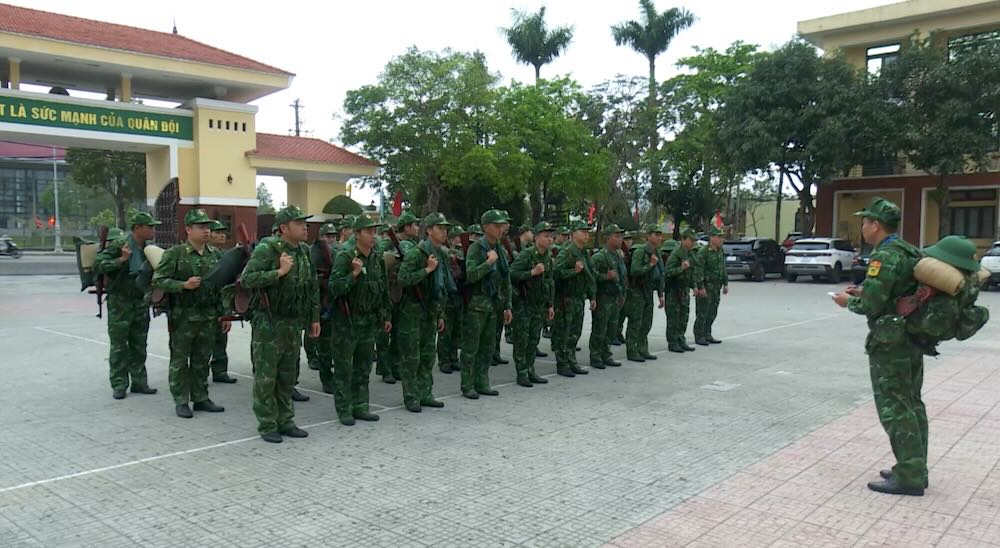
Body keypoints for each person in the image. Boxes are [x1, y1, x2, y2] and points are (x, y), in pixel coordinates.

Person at [833, 198, 926, 496]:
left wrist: (850, 301)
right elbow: (894, 292)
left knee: (895, 406)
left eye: (865, 222)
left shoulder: (883, 257)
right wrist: (864, 290)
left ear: (875, 225)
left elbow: (872, 304)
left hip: (891, 343)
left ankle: (909, 476)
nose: (862, 227)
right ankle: (915, 467)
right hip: (911, 338)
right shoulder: (907, 251)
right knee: (912, 403)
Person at [240, 205, 319, 443]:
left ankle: (286, 420)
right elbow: (247, 279)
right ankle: (267, 423)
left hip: (294, 323)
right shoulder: (267, 248)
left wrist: (314, 318)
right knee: (267, 376)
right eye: (298, 223)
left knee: (287, 374)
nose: (304, 227)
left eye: (304, 222)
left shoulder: (304, 251)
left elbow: (312, 286)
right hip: (269, 323)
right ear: (284, 228)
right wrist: (279, 272)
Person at [152, 209, 228, 418]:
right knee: (180, 359)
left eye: (207, 227)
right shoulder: (175, 254)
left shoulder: (216, 255)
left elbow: (223, 286)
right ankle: (181, 400)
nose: (206, 231)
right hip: (183, 316)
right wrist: (183, 285)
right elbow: (158, 280)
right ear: (188, 229)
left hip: (209, 315)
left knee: (202, 358)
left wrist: (224, 314)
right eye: (201, 227)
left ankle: (201, 397)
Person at [329, 215, 392, 425]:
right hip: (347, 322)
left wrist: (385, 316)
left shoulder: (376, 257)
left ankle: (361, 405)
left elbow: (383, 289)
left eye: (375, 231)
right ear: (357, 234)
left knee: (364, 367)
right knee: (344, 368)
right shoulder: (345, 257)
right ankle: (344, 409)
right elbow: (335, 288)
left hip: (369, 321)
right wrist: (354, 274)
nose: (373, 235)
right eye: (369, 231)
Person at [93, 211, 161, 400]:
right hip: (120, 302)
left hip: (140, 302)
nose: (153, 230)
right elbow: (98, 264)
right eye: (150, 226)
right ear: (138, 228)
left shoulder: (149, 249)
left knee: (139, 344)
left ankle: (140, 382)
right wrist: (121, 260)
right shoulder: (119, 244)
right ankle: (119, 384)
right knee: (119, 346)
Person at [397, 212, 453, 412]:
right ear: (429, 230)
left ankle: (425, 393)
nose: (444, 231)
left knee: (428, 355)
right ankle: (411, 396)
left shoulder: (442, 254)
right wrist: (427, 270)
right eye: (440, 228)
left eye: (446, 228)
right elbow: (403, 279)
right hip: (412, 311)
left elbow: (443, 287)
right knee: (412, 357)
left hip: (430, 312)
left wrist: (440, 314)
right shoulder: (416, 253)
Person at [459, 209, 513, 399]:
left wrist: (508, 305)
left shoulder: (500, 247)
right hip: (478, 305)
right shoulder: (477, 248)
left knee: (488, 347)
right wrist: (488, 263)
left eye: (502, 226)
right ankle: (467, 384)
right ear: (486, 228)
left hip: (494, 304)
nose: (501, 229)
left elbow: (506, 278)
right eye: (497, 226)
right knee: (471, 347)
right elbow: (471, 275)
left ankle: (482, 382)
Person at [509, 221, 556, 387]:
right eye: (546, 236)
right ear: (536, 237)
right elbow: (512, 273)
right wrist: (531, 272)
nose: (550, 239)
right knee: (522, 340)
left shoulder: (549, 257)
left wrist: (550, 305)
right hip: (524, 303)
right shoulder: (527, 254)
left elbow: (550, 282)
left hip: (539, 305)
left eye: (551, 236)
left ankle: (530, 369)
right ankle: (521, 373)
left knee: (534, 339)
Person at [552, 221, 596, 377]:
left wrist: (592, 296)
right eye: (582, 231)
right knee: (563, 332)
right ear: (573, 233)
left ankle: (571, 360)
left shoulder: (584, 252)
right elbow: (556, 273)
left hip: (578, 298)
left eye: (587, 231)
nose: (586, 234)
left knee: (575, 332)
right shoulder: (566, 251)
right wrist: (574, 271)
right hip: (566, 299)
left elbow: (590, 276)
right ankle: (562, 363)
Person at [589, 224, 627, 369]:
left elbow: (622, 277)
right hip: (603, 297)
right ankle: (596, 355)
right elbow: (591, 276)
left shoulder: (618, 255)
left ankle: (606, 354)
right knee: (600, 328)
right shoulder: (600, 256)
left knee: (611, 328)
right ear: (608, 238)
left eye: (620, 236)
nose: (620, 239)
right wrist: (606, 276)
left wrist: (622, 294)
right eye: (616, 236)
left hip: (615, 297)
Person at [625, 225, 665, 362]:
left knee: (647, 322)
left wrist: (660, 294)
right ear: (648, 236)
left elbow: (660, 274)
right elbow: (634, 271)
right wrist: (650, 265)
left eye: (660, 234)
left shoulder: (656, 252)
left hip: (648, 291)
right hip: (637, 291)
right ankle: (631, 350)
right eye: (656, 234)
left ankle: (642, 348)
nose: (659, 237)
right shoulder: (640, 251)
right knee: (635, 322)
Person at [207, 220, 237, 384]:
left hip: (220, 304)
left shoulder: (225, 255)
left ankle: (220, 370)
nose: (221, 235)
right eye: (217, 232)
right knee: (204, 342)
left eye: (223, 232)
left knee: (221, 338)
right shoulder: (204, 254)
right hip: (204, 305)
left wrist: (227, 312)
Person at [312, 222, 340, 394]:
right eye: (327, 236)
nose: (331, 239)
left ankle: (336, 377)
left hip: (335, 303)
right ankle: (326, 378)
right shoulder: (313, 253)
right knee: (324, 345)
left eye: (333, 236)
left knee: (336, 344)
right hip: (321, 304)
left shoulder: (338, 253)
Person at [693, 226, 729, 346]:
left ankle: (707, 333)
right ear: (712, 238)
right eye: (719, 237)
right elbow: (699, 270)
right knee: (702, 312)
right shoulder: (703, 252)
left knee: (712, 312)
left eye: (721, 237)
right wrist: (700, 286)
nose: (721, 240)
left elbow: (722, 268)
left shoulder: (720, 251)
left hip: (716, 287)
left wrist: (725, 283)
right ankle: (699, 335)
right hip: (706, 287)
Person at [437, 225, 466, 374]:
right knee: (446, 331)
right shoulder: (445, 252)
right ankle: (444, 360)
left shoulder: (462, 253)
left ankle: (453, 358)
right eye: (458, 237)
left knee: (456, 330)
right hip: (448, 296)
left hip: (459, 295)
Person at [664, 229, 698, 353]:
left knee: (684, 316)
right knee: (673, 317)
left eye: (694, 240)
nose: (693, 243)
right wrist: (681, 268)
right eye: (691, 240)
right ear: (683, 239)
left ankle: (680, 339)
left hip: (684, 291)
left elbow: (691, 273)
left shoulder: (689, 254)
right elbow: (667, 272)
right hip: (674, 291)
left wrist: (694, 286)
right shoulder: (676, 254)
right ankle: (672, 342)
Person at [612, 231, 635, 346]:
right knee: (617, 312)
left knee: (623, 312)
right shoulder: (618, 252)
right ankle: (613, 334)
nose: (628, 241)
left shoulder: (628, 253)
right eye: (626, 239)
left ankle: (618, 332)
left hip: (626, 286)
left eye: (630, 238)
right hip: (618, 287)